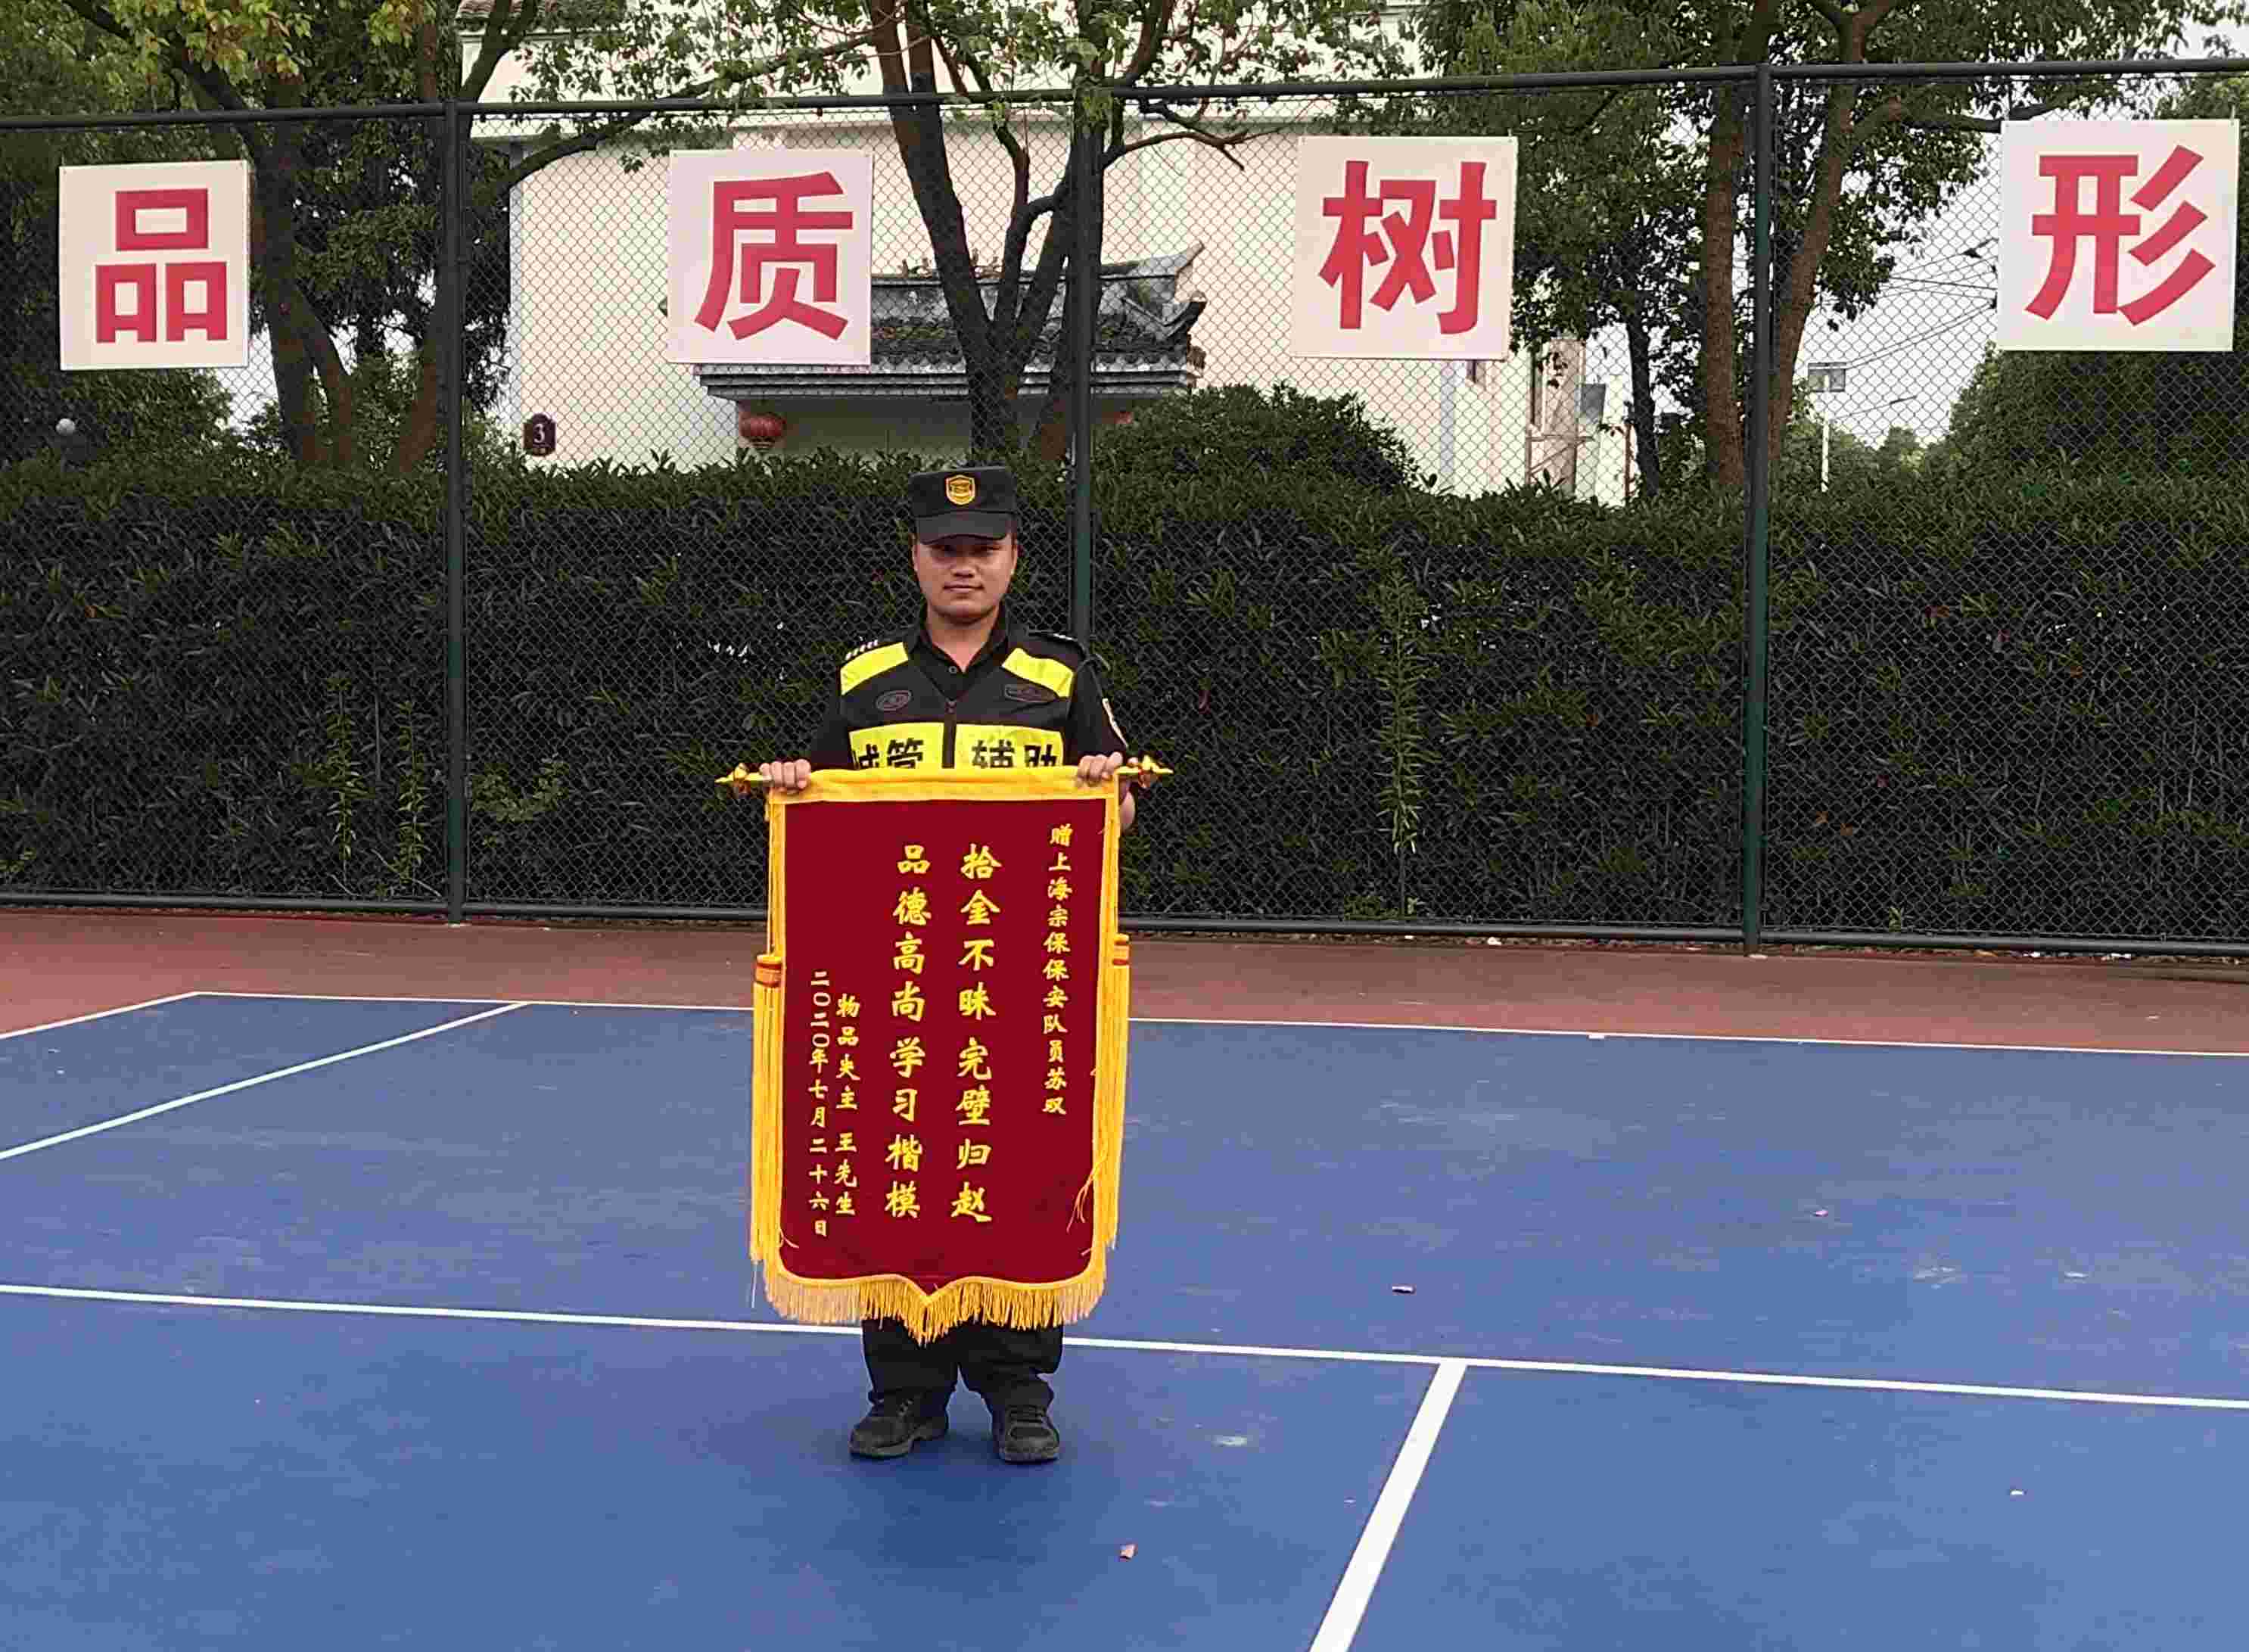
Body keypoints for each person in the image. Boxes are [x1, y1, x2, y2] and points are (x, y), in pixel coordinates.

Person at [757, 463, 1140, 1465]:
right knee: (896, 1154)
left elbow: (1119, 811)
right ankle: (906, 1389)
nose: (963, 566)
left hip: (1022, 979)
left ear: (1012, 557)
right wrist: (795, 782)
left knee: (1017, 1158)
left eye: (982, 548)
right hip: (893, 977)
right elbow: (820, 795)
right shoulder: (863, 679)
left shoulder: (1063, 678)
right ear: (916, 557)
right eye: (944, 548)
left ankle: (1019, 1389)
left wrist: (1107, 788)